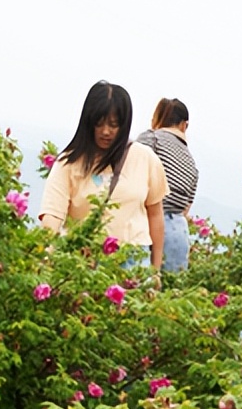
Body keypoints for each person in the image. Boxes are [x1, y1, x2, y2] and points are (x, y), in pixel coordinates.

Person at [39, 81, 169, 269]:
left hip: (132, 261)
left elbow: (155, 215)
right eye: (99, 124)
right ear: (88, 122)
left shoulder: (144, 158)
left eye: (114, 125)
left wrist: (156, 271)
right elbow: (52, 215)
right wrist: (47, 261)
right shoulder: (68, 163)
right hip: (82, 260)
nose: (106, 131)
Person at [136, 98, 199, 273]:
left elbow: (132, 176)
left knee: (139, 291)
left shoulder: (151, 139)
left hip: (149, 221)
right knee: (171, 293)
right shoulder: (192, 163)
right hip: (178, 230)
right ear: (184, 125)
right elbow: (186, 208)